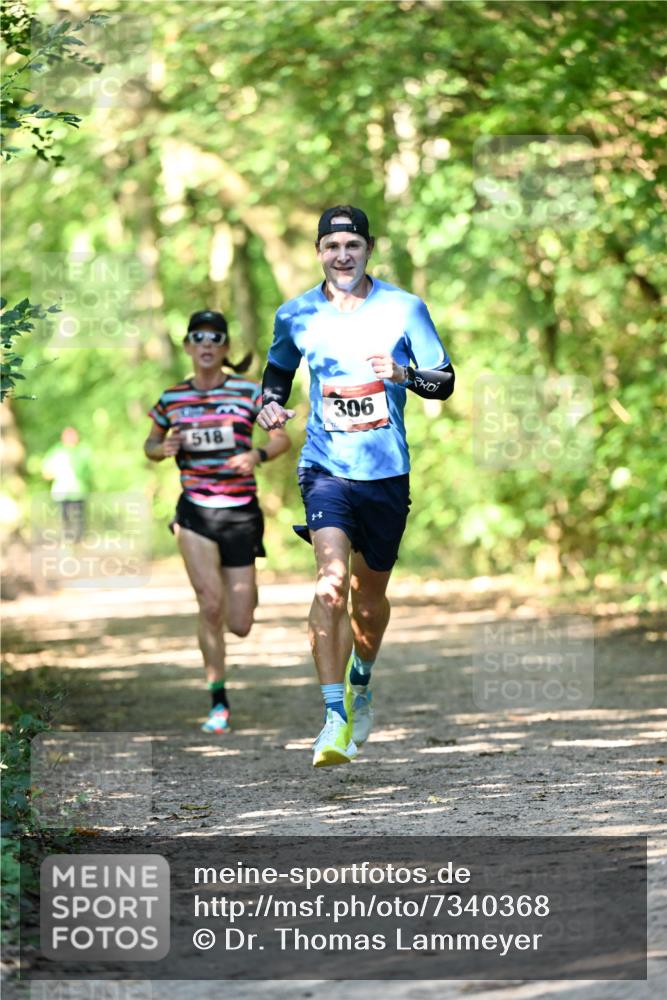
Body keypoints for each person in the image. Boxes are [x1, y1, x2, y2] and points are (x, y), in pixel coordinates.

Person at [257, 205, 455, 767]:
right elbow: (276, 374)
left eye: (352, 246)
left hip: (386, 472)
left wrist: (403, 375)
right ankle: (333, 718)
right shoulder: (296, 313)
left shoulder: (404, 308)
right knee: (331, 584)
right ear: (318, 252)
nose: (342, 256)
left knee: (369, 602)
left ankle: (361, 681)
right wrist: (269, 407)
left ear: (369, 248)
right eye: (331, 246)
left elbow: (444, 382)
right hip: (325, 468)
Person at [144, 310, 290, 734]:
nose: (206, 345)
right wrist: (162, 448)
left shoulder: (248, 392)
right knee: (210, 604)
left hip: (240, 512)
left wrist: (256, 455)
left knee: (239, 623)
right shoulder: (172, 398)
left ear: (225, 347)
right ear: (188, 347)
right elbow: (150, 444)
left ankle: (236, 608)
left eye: (215, 338)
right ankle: (218, 702)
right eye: (198, 338)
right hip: (195, 510)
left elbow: (281, 437)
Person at [41, 426, 93, 543]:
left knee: (79, 520)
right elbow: (46, 472)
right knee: (64, 519)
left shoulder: (83, 450)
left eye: (73, 435)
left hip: (79, 492)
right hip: (61, 492)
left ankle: (79, 542)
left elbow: (88, 472)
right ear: (62, 437)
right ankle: (67, 541)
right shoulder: (56, 451)